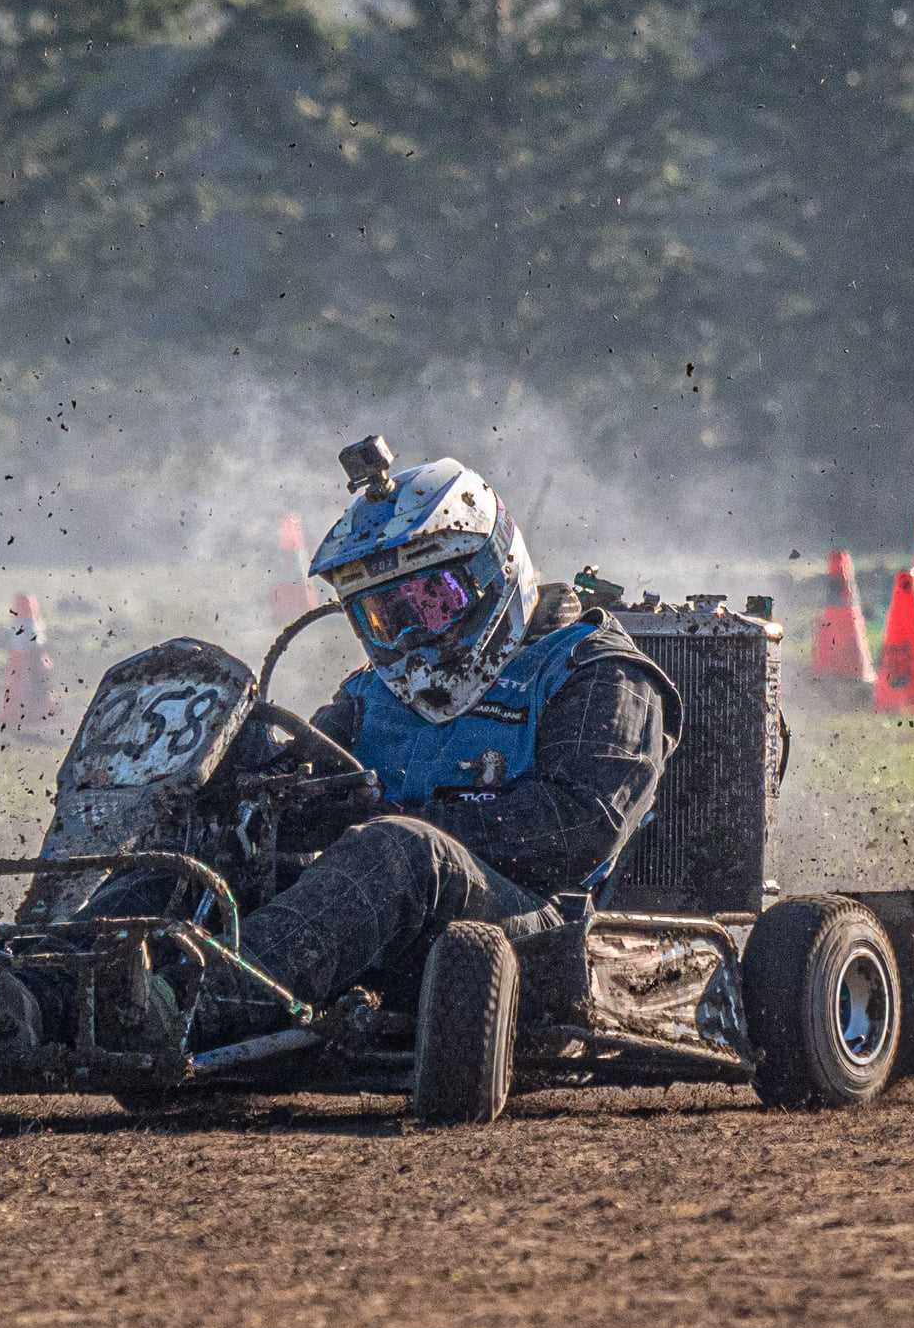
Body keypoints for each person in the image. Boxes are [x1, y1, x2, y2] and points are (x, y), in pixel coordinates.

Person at [61, 437, 682, 1047]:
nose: (410, 636)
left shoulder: (593, 672)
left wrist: (403, 820)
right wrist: (249, 798)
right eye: (385, 617)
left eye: (431, 602)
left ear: (493, 571)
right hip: (374, 915)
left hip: (533, 923)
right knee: (216, 846)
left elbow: (580, 829)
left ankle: (182, 1007)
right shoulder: (369, 697)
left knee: (400, 849)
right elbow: (301, 793)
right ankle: (42, 989)